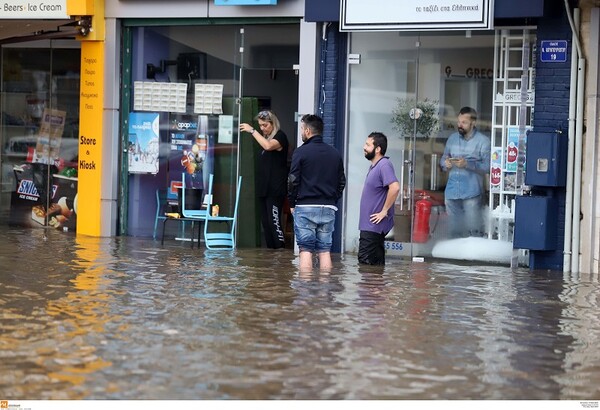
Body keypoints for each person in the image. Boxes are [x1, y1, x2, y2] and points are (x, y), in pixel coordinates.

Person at [288, 114, 346, 271]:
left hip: (305, 206)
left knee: (305, 249)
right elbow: (342, 182)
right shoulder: (334, 153)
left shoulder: (300, 152)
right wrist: (332, 200)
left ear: (307, 130)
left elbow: (293, 181)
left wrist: (292, 203)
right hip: (328, 207)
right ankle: (324, 291)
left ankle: (305, 292)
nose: (301, 132)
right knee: (325, 250)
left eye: (301, 128)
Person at [240, 110, 289, 249]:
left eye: (265, 125)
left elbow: (268, 146)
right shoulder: (265, 139)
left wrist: (252, 130)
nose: (262, 128)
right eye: (260, 125)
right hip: (264, 188)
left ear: (273, 124)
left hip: (275, 189)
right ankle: (270, 257)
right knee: (266, 223)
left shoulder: (280, 137)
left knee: (274, 222)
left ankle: (280, 254)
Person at [439, 106, 491, 238]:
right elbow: (443, 159)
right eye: (458, 122)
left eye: (464, 122)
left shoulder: (483, 141)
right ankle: (454, 257)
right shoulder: (452, 139)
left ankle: (473, 258)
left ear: (473, 123)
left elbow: (488, 166)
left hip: (471, 193)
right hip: (451, 192)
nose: (459, 125)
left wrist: (468, 164)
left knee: (473, 231)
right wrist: (445, 163)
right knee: (453, 232)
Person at [358, 132, 400, 265]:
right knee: (374, 267)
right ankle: (377, 286)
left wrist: (384, 211)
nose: (364, 147)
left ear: (378, 149)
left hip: (373, 227)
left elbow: (395, 187)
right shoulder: (375, 166)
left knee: (366, 265)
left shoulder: (384, 164)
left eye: (368, 145)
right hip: (369, 226)